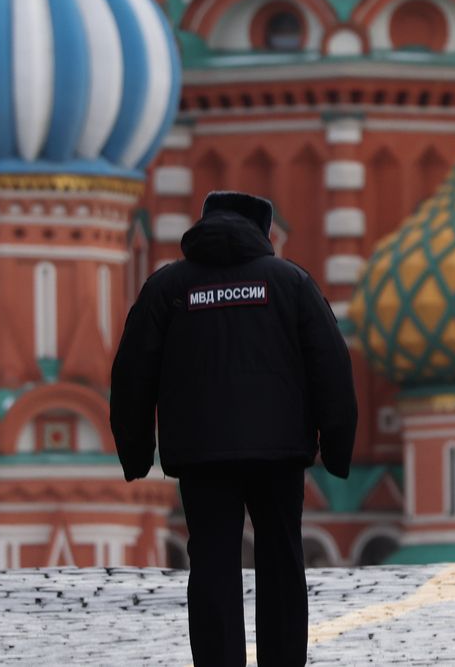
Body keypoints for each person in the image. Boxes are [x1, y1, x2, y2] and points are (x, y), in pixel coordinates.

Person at [111, 191, 358, 666]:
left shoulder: (168, 288)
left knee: (211, 563)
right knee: (282, 559)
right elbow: (332, 367)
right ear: (263, 233)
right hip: (279, 452)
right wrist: (338, 447)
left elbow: (132, 374)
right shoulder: (291, 283)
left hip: (201, 454)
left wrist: (136, 452)